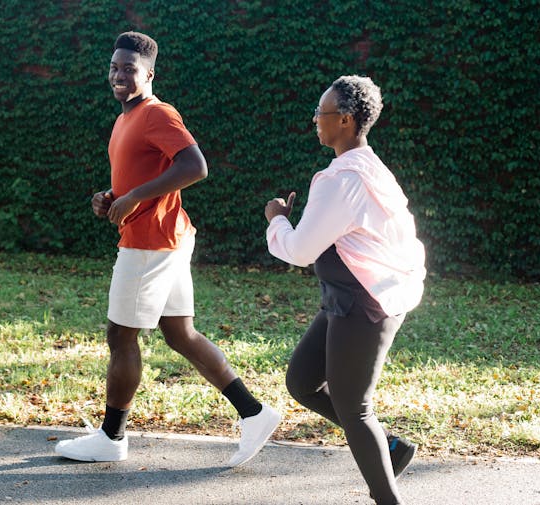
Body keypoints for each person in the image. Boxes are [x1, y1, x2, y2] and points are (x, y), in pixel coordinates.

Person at [55, 31, 280, 466]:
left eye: (130, 70)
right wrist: (111, 196)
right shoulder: (127, 119)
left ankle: (111, 437)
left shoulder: (157, 113)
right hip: (168, 238)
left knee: (121, 336)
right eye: (114, 68)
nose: (119, 76)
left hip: (150, 243)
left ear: (150, 74)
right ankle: (254, 413)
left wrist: (136, 196)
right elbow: (140, 175)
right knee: (180, 333)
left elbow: (195, 166)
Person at [264, 75, 426, 505]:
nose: (316, 119)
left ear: (347, 120)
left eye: (324, 112)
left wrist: (277, 218)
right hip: (352, 296)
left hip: (366, 302)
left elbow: (298, 249)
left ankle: (388, 498)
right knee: (301, 380)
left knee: (355, 408)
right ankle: (390, 448)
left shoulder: (341, 179)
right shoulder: (368, 166)